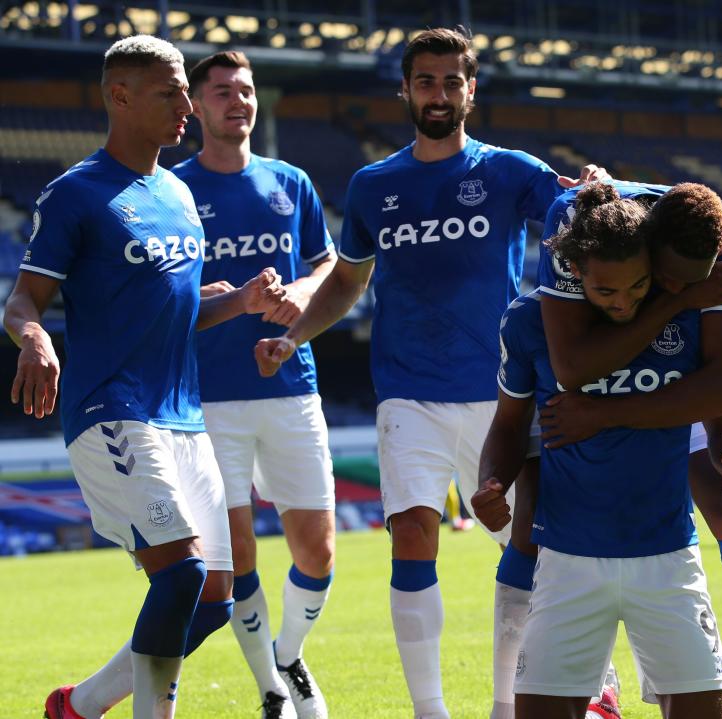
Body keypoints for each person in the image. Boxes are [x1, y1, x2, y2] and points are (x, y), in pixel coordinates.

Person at [254, 26, 606, 719]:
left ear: (471, 90)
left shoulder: (509, 171)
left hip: (503, 395)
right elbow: (347, 281)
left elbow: (579, 215)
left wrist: (595, 188)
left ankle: (544, 694)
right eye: (426, 81)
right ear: (406, 91)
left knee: (537, 547)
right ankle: (431, 710)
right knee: (412, 533)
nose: (439, 93)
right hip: (408, 393)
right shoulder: (373, 186)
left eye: (452, 81)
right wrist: (294, 334)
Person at [4, 36, 284, 719]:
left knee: (215, 598)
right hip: (112, 412)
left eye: (187, 90)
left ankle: (81, 704)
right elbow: (23, 300)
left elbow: (176, 314)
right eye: (171, 92)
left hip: (184, 417)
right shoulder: (76, 193)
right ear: (120, 96)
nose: (187, 105)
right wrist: (35, 339)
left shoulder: (181, 196)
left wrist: (238, 302)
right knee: (183, 573)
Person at [474, 181, 722, 719]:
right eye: (668, 278)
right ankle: (526, 697)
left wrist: (606, 411)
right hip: (572, 550)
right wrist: (491, 482)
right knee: (529, 519)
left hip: (665, 549)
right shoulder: (562, 253)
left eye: (682, 282)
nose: (675, 287)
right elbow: (570, 374)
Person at [171, 50, 337, 719]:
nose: (237, 101)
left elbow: (332, 267)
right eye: (222, 92)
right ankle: (271, 689)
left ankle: (290, 653)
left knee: (318, 552)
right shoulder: (173, 191)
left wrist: (298, 295)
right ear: (197, 108)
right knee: (234, 554)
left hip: (291, 383)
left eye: (245, 90)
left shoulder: (290, 182)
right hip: (208, 397)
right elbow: (159, 294)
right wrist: (215, 295)